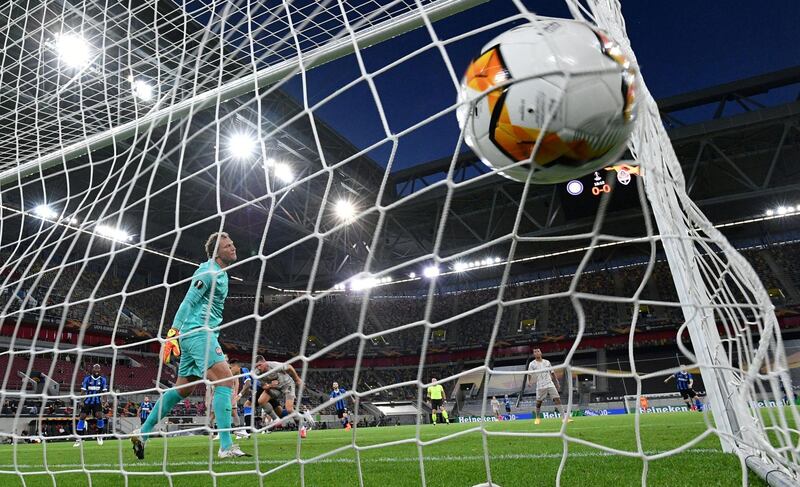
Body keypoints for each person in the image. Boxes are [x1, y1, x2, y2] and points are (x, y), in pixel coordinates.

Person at [130, 232, 249, 460]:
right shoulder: (208, 271)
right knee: (226, 380)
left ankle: (142, 433)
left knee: (183, 389)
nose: (233, 248)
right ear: (217, 251)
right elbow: (188, 300)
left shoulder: (221, 274)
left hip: (197, 334)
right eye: (227, 245)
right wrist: (172, 333)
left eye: (233, 243)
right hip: (197, 333)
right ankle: (226, 446)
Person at [252, 355, 306, 437]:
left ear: (265, 362)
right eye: (256, 366)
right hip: (275, 388)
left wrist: (297, 379)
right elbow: (263, 386)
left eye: (260, 365)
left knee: (289, 409)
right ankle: (276, 420)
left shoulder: (274, 365)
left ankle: (302, 427)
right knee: (261, 401)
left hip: (287, 385)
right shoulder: (256, 373)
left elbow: (290, 367)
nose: (258, 368)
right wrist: (270, 386)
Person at [527, 349, 573, 425]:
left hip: (550, 383)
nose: (537, 353)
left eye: (538, 351)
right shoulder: (532, 364)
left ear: (541, 352)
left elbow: (552, 372)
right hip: (540, 385)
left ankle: (564, 418)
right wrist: (529, 381)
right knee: (539, 402)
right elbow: (529, 373)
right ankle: (537, 418)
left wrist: (557, 382)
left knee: (557, 399)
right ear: (533, 354)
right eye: (535, 352)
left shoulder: (547, 362)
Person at [74, 364, 108, 446]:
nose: (97, 370)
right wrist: (81, 401)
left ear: (100, 370)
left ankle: (99, 436)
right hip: (87, 401)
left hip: (97, 402)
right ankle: (79, 439)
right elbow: (83, 391)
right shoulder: (87, 379)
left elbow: (104, 392)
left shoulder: (103, 380)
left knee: (99, 416)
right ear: (92, 369)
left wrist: (105, 401)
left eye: (98, 369)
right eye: (95, 368)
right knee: (82, 417)